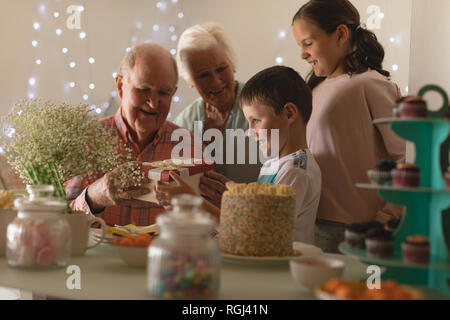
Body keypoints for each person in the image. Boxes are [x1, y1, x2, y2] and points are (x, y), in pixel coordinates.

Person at [156, 66, 321, 244]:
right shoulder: (275, 164)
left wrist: (195, 204)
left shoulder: (295, 171)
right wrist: (236, 199)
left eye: (256, 121)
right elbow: (257, 218)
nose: (250, 132)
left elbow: (259, 236)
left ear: (289, 113)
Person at [291, 0, 405, 253]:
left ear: (341, 34)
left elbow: (406, 157)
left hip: (360, 229)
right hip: (312, 224)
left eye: (308, 43)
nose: (303, 54)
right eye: (300, 46)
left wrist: (388, 216)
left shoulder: (371, 85)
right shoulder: (313, 90)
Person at [69, 43, 197, 226]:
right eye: (143, 89)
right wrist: (94, 197)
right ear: (120, 86)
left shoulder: (189, 148)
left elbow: (208, 231)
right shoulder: (86, 141)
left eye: (163, 93)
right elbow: (60, 218)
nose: (153, 103)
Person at [173, 22, 261, 188]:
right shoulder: (182, 124)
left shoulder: (264, 108)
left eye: (221, 69)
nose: (215, 81)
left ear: (232, 64)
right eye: (203, 75)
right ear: (190, 80)